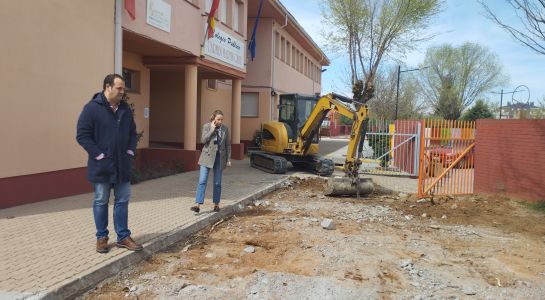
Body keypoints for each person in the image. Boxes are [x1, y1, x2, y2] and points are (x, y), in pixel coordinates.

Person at [76, 74, 143, 253]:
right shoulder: (92, 109)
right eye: (119, 88)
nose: (122, 92)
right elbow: (82, 135)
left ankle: (123, 236)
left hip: (123, 165)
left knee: (122, 200)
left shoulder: (125, 109)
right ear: (107, 87)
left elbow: (132, 134)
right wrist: (98, 155)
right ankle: (101, 237)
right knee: (101, 200)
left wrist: (130, 151)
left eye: (124, 89)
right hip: (102, 166)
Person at [191, 110, 232, 213]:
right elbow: (203, 140)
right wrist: (212, 130)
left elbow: (228, 145)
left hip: (219, 158)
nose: (220, 121)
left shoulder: (225, 129)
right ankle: (197, 205)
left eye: (222, 119)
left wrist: (228, 159)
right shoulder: (206, 126)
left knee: (217, 182)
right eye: (218, 119)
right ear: (214, 118)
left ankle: (216, 204)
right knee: (202, 181)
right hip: (206, 157)